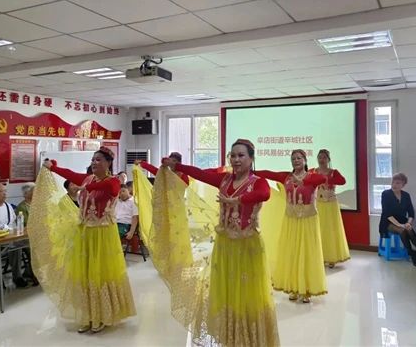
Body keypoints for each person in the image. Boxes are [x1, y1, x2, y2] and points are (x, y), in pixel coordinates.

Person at [160, 139, 279, 347]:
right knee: (227, 289)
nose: (236, 159)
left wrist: (238, 200)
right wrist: (176, 166)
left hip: (247, 245)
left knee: (247, 291)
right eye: (233, 155)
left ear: (251, 159)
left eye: (241, 155)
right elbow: (200, 174)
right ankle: (229, 334)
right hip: (224, 245)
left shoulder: (257, 182)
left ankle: (248, 336)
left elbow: (265, 194)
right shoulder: (224, 180)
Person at [32, 146, 136, 333]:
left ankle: (103, 315)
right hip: (85, 233)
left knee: (100, 273)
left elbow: (108, 188)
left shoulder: (114, 181)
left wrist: (87, 187)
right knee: (86, 273)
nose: (94, 163)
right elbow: (71, 174)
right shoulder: (88, 179)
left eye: (99, 160)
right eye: (93, 160)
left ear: (108, 163)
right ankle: (88, 315)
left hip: (103, 234)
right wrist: (53, 167)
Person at [255, 149, 327, 303]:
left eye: (299, 158)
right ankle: (294, 287)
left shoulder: (312, 177)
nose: (296, 161)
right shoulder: (286, 177)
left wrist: (305, 182)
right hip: (291, 220)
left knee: (306, 253)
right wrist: (251, 170)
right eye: (293, 159)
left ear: (305, 160)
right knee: (293, 252)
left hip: (308, 220)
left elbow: (323, 178)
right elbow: (268, 173)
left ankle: (306, 289)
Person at [309, 149, 350, 268]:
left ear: (328, 159)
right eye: (320, 157)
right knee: (318, 229)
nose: (321, 160)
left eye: (324, 157)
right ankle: (318, 256)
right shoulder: (312, 171)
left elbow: (343, 181)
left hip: (331, 205)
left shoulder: (333, 172)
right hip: (317, 204)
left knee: (331, 229)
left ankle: (332, 257)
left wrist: (327, 179)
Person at [379, 173, 416, 266]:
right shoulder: (386, 194)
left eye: (398, 183)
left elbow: (411, 213)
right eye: (393, 182)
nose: (394, 185)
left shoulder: (406, 195)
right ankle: (412, 255)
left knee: (409, 229)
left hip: (402, 221)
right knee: (402, 230)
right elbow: (387, 213)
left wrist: (408, 223)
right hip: (388, 222)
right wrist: (400, 225)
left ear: (403, 185)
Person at [15, 183, 38, 286]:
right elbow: (25, 224)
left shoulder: (38, 204)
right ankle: (32, 273)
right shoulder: (22, 207)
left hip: (37, 234)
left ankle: (32, 272)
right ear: (26, 194)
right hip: (26, 237)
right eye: (33, 190)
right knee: (35, 249)